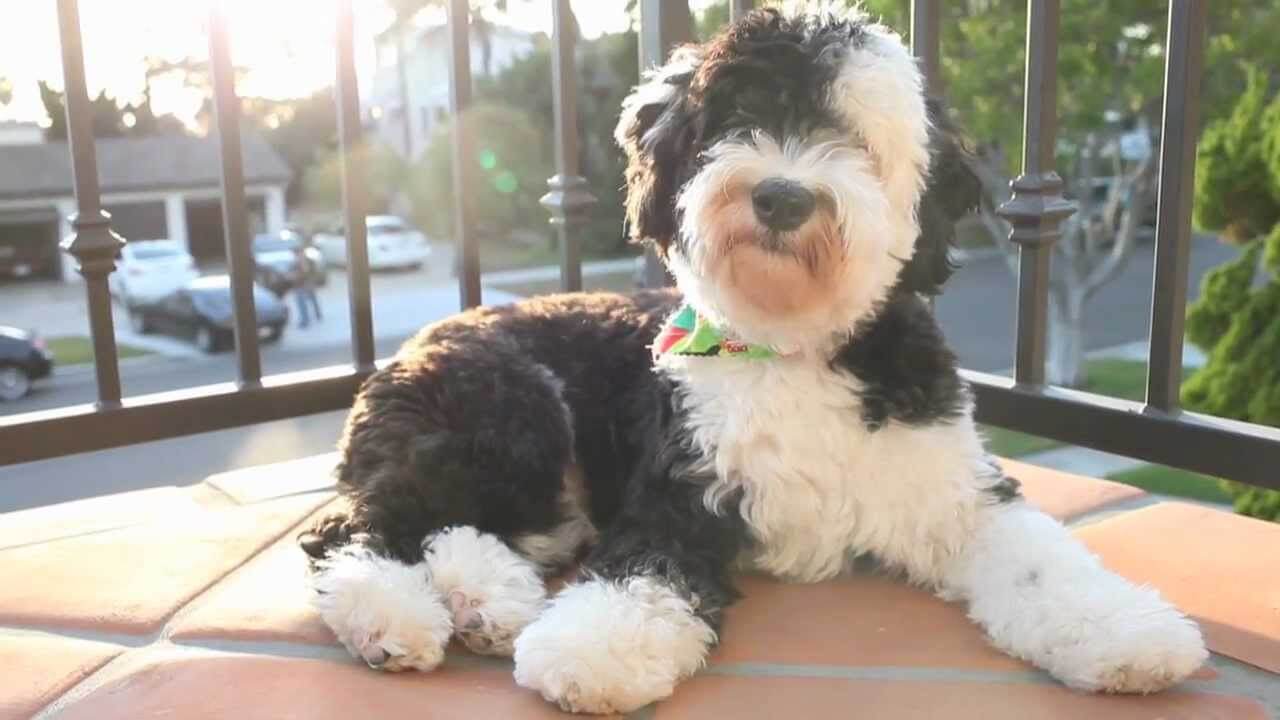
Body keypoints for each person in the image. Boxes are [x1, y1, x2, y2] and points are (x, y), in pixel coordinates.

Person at [293, 244, 322, 328]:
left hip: (307, 284)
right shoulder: (296, 263)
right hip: (299, 285)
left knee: (312, 300)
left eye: (299, 253)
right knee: (302, 302)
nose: (298, 255)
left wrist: (312, 282)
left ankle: (315, 315)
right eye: (296, 254)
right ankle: (306, 319)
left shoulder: (308, 261)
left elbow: (310, 272)